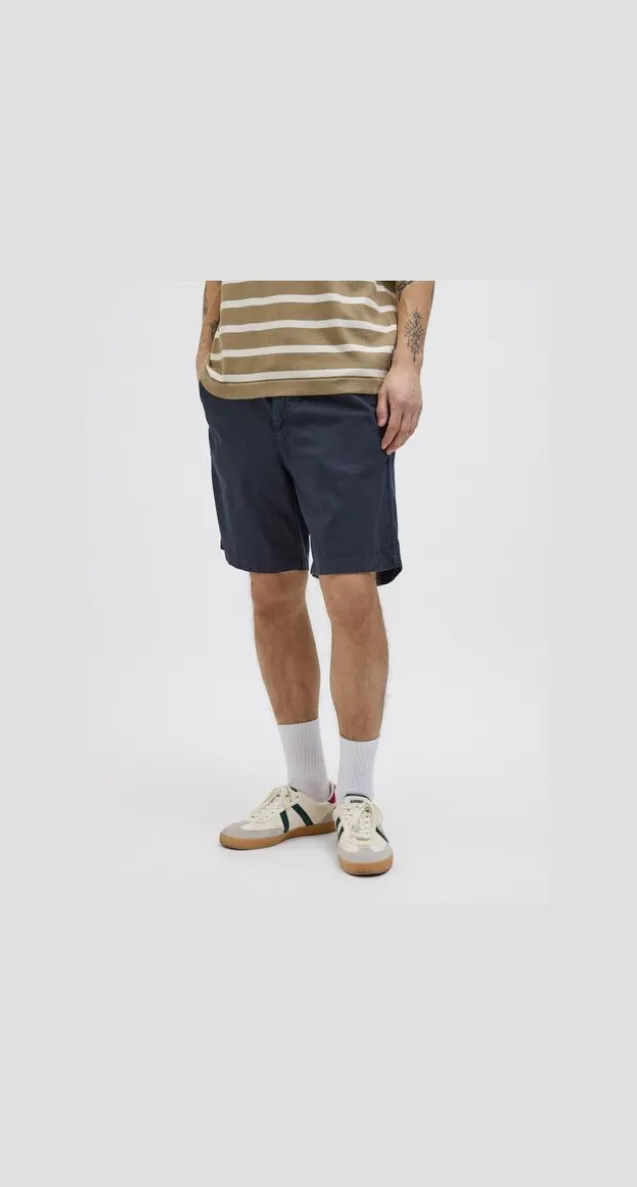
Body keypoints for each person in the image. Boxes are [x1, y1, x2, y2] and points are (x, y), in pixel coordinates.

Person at [196, 281, 434, 876]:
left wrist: (408, 365)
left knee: (350, 592)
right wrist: (208, 344)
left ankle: (356, 795)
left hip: (344, 386)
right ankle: (306, 790)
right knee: (270, 591)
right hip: (240, 389)